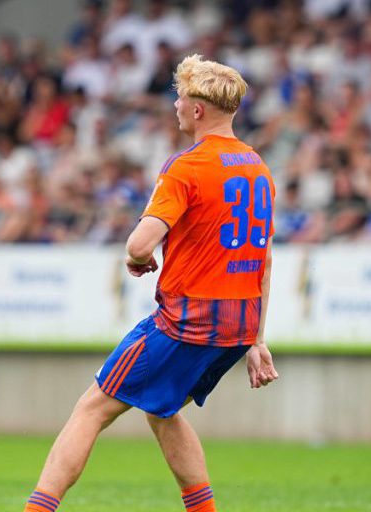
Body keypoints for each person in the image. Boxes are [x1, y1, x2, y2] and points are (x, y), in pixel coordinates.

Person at [22, 54, 280, 512]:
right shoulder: (258, 168)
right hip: (238, 323)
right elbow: (263, 257)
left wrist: (134, 257)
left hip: (188, 319)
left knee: (92, 408)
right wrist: (257, 338)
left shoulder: (186, 166)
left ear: (198, 109)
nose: (176, 105)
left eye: (179, 97)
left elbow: (141, 243)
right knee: (163, 410)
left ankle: (36, 509)